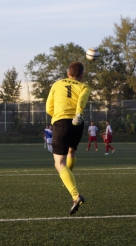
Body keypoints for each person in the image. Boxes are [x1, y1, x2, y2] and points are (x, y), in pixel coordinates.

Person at [46, 61, 91, 215]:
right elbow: (81, 101)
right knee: (71, 152)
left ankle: (75, 195)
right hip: (78, 123)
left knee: (59, 164)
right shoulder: (84, 87)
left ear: (68, 73)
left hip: (61, 123)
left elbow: (48, 108)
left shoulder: (57, 84)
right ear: (82, 75)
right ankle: (68, 178)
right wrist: (78, 113)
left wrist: (57, 116)